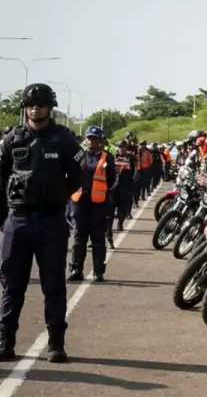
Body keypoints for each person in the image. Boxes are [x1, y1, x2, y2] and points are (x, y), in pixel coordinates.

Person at [0, 83, 84, 362]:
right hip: (18, 221)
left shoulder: (64, 139)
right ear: (25, 108)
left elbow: (77, 177)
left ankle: (56, 343)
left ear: (50, 107)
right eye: (30, 104)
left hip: (51, 222)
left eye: (41, 104)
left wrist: (58, 196)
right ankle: (6, 340)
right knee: (12, 285)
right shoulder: (12, 139)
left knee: (54, 285)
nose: (35, 108)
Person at [69, 126, 117, 282]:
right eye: (89, 138)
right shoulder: (78, 155)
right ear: (85, 140)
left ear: (101, 141)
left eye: (94, 138)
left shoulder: (107, 158)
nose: (91, 141)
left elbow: (111, 179)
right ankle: (77, 269)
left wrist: (100, 190)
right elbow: (69, 174)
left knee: (97, 238)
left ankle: (98, 271)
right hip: (79, 201)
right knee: (78, 237)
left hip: (98, 203)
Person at [113, 139, 137, 233]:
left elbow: (135, 170)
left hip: (126, 184)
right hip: (114, 185)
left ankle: (120, 224)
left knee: (122, 206)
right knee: (111, 206)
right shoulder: (113, 156)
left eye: (122, 146)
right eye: (119, 146)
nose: (120, 149)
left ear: (126, 147)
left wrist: (133, 181)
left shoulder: (131, 157)